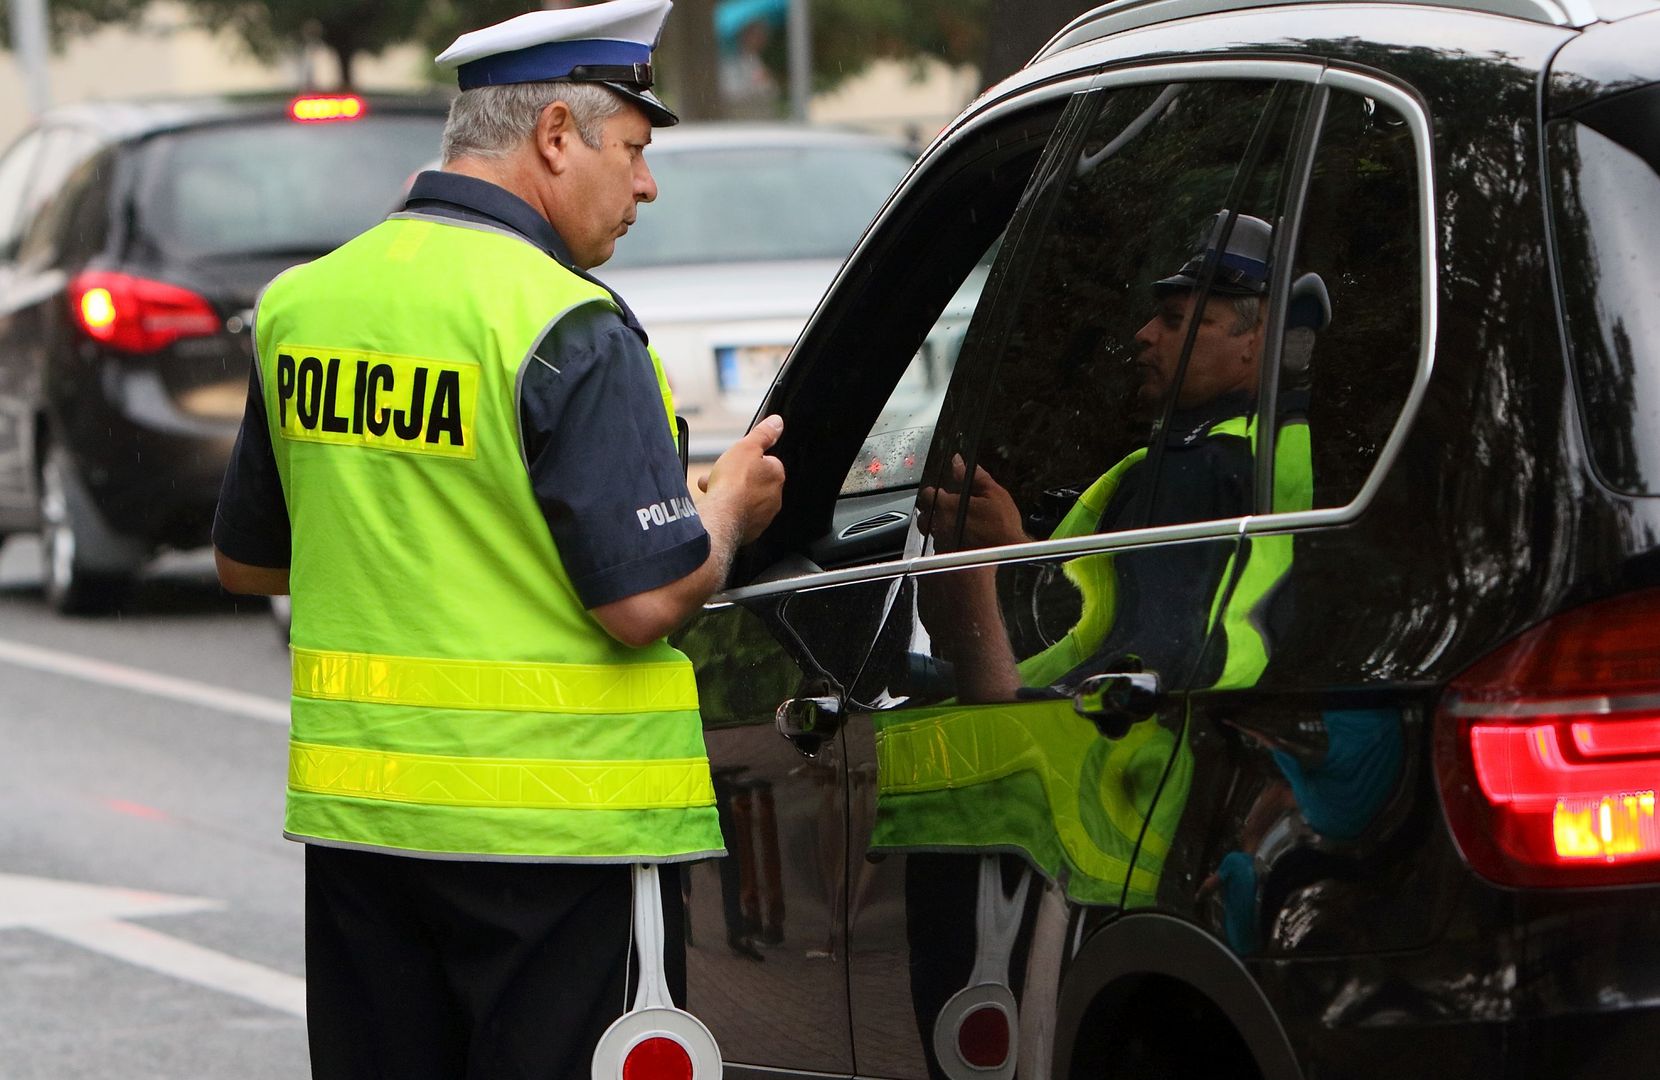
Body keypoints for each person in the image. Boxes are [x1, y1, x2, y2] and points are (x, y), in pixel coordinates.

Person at [210, 1, 786, 1076]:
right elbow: (646, 601)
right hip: (562, 842)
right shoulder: (565, 321)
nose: (647, 184)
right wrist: (728, 510)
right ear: (557, 135)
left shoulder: (305, 304)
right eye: (636, 149)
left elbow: (249, 561)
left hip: (367, 836)